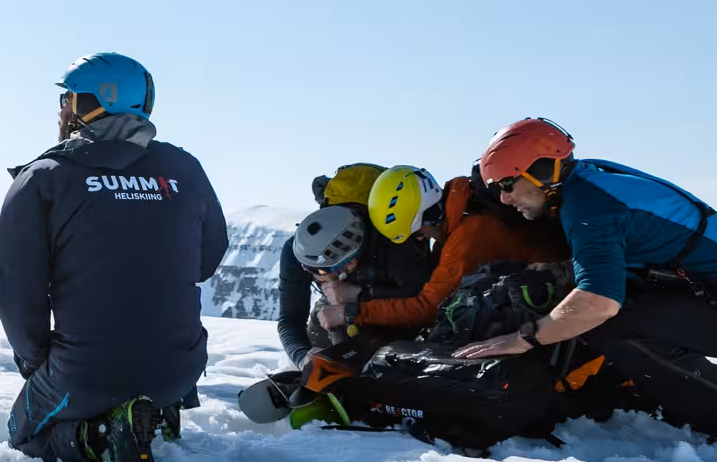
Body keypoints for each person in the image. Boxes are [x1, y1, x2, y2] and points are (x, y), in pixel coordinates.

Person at [0, 52, 228, 462]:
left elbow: (17, 292)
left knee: (22, 432)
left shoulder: (44, 178)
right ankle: (157, 413)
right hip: (181, 367)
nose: (62, 109)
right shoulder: (185, 169)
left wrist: (37, 366)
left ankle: (101, 437)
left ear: (91, 104)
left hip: (86, 373)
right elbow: (207, 259)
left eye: (68, 98)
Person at [457, 118, 717, 436]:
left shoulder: (589, 207)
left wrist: (523, 338)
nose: (504, 199)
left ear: (540, 172)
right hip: (701, 285)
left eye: (506, 185)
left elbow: (599, 302)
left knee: (617, 325)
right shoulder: (589, 179)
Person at [332, 164, 569, 333]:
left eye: (417, 233)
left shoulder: (468, 236)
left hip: (549, 306)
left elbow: (428, 309)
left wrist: (354, 312)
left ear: (425, 217)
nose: (422, 240)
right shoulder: (463, 207)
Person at [276, 166, 434, 368]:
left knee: (366, 355)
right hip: (339, 313)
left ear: (352, 258)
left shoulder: (393, 245)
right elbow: (289, 320)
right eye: (320, 275)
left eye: (339, 270)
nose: (333, 279)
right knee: (324, 319)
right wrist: (302, 358)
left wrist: (360, 296)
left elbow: (425, 303)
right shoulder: (296, 251)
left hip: (393, 313)